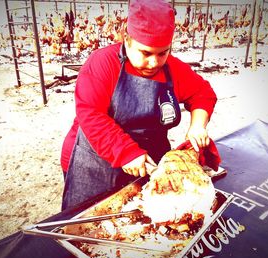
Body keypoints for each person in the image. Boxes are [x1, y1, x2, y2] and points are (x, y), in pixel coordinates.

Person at [60, 0, 217, 211]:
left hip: (149, 161)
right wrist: (126, 152)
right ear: (127, 39)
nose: (154, 63)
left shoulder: (173, 69)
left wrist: (198, 125)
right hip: (97, 162)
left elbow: (202, 93)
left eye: (163, 53)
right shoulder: (102, 63)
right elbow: (91, 114)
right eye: (145, 53)